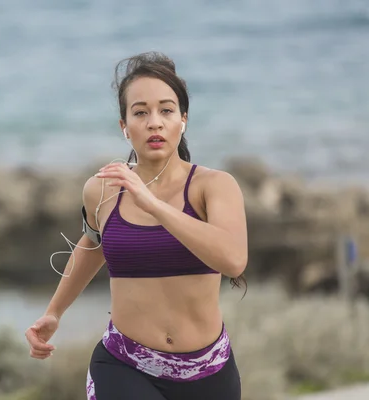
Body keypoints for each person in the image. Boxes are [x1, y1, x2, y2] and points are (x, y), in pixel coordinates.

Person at [24, 51, 248, 400]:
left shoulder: (214, 186)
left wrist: (155, 206)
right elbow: (92, 245)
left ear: (183, 120)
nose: (154, 122)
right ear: (124, 126)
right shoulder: (102, 188)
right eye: (140, 112)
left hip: (208, 372)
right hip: (124, 366)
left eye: (166, 110)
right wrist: (54, 312)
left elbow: (233, 260)